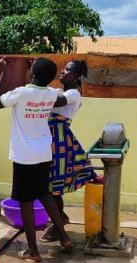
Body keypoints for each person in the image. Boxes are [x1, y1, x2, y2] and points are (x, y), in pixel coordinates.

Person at [0, 57, 73, 263]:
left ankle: (33, 251)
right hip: (43, 152)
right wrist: (32, 70)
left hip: (24, 155)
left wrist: (3, 73)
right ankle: (64, 238)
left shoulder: (21, 94)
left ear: (33, 74)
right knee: (44, 194)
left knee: (25, 201)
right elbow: (44, 89)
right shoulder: (52, 94)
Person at [41, 60, 96, 242]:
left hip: (60, 144)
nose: (62, 72)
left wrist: (37, 88)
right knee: (49, 186)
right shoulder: (59, 91)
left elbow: (56, 101)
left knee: (54, 189)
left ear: (77, 77)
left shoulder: (73, 94)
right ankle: (61, 218)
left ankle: (59, 225)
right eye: (63, 68)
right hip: (51, 142)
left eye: (68, 70)